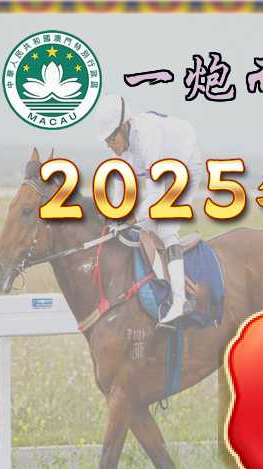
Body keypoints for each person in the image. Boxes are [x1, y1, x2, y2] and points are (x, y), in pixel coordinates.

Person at [94, 94, 204, 325]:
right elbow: (119, 191)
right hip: (167, 170)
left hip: (186, 166)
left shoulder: (148, 136)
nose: (110, 145)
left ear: (124, 126)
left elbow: (154, 197)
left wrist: (129, 219)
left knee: (165, 226)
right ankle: (166, 281)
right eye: (106, 141)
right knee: (144, 228)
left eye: (111, 139)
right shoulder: (121, 148)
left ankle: (180, 300)